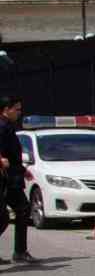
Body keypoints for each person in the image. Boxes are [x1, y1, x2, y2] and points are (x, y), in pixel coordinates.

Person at [0, 96, 37, 264]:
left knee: (22, 210)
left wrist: (23, 170)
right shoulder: (1, 126)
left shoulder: (8, 126)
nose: (19, 113)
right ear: (6, 109)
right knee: (4, 217)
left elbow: (12, 154)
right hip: (5, 179)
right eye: (17, 109)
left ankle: (20, 252)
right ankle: (20, 252)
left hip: (12, 178)